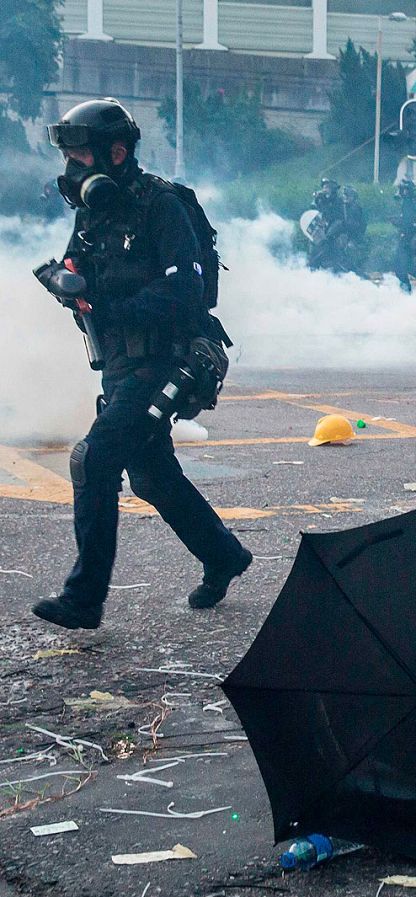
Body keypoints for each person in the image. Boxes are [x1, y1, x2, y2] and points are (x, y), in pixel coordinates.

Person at [31, 98, 251, 630]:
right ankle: (223, 556)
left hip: (167, 359)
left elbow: (186, 292)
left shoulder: (161, 207)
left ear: (117, 152)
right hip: (121, 364)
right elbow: (77, 264)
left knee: (94, 459)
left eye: (81, 155)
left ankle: (84, 600)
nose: (73, 168)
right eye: (69, 156)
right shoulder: (93, 209)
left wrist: (109, 303)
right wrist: (68, 284)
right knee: (152, 476)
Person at [391, 179, 416, 291]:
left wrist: (399, 222)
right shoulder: (412, 201)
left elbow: (410, 222)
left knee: (402, 267)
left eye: (401, 189)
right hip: (408, 238)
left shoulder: (411, 202)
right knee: (405, 267)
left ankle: (406, 291)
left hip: (410, 239)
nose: (399, 191)